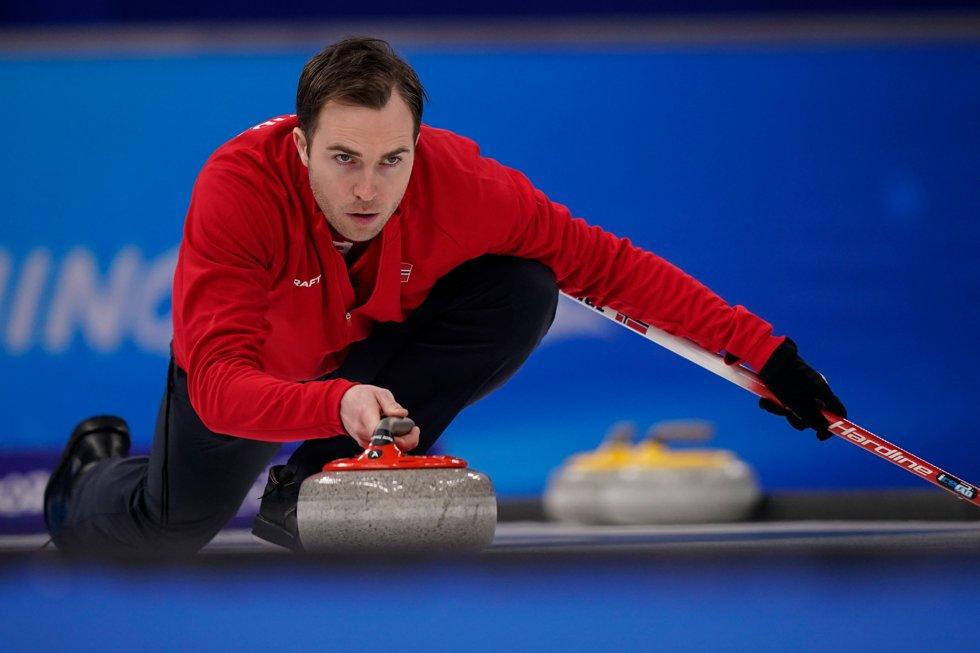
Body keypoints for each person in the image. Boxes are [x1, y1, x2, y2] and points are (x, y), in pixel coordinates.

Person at [43, 37, 846, 555]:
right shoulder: (238, 189)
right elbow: (217, 386)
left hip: (366, 361)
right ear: (300, 145)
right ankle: (85, 476)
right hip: (263, 380)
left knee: (526, 285)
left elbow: (609, 266)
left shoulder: (461, 184)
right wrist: (335, 403)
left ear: (417, 147)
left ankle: (317, 485)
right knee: (166, 528)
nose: (368, 188)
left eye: (391, 160)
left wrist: (766, 352)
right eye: (344, 159)